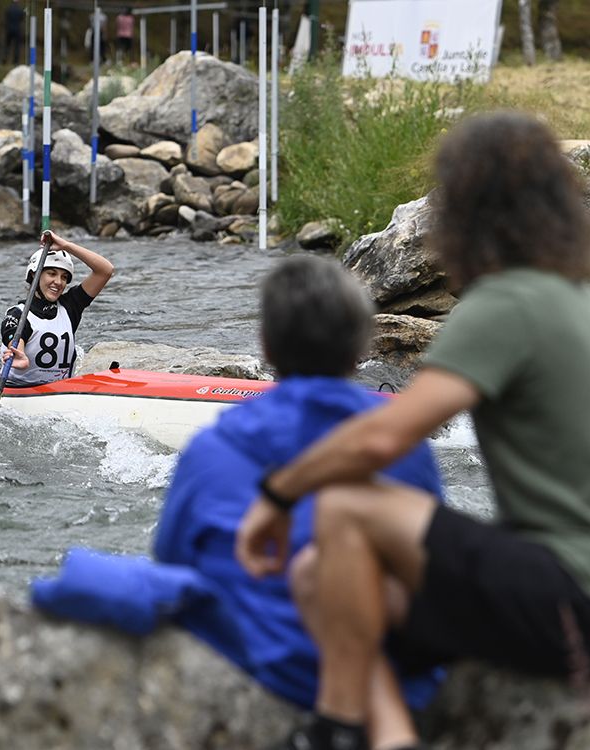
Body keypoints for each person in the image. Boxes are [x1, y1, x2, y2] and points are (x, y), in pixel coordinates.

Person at [236, 111, 590, 750]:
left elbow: (384, 439)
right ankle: (386, 737)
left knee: (346, 506)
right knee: (315, 575)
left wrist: (275, 496)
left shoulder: (509, 302)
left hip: (582, 601)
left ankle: (333, 733)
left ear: (463, 212)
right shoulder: (575, 300)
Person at [154, 255, 448, 733]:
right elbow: (426, 566)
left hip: (263, 663)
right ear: (358, 351)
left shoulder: (210, 448)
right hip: (381, 666)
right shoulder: (404, 445)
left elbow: (171, 559)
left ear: (267, 347)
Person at [0, 230, 113, 386]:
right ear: (34, 275)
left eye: (64, 277)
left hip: (59, 392)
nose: (58, 282)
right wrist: (20, 355)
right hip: (19, 388)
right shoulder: (17, 314)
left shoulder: (71, 306)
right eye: (52, 274)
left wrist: (65, 245)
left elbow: (105, 270)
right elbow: (16, 340)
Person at [3, 0, 24, 66]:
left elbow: (6, 18)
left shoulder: (8, 9)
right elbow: (22, 18)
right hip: (17, 29)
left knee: (7, 45)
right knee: (16, 46)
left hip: (9, 29)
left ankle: (5, 58)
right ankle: (15, 61)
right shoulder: (20, 10)